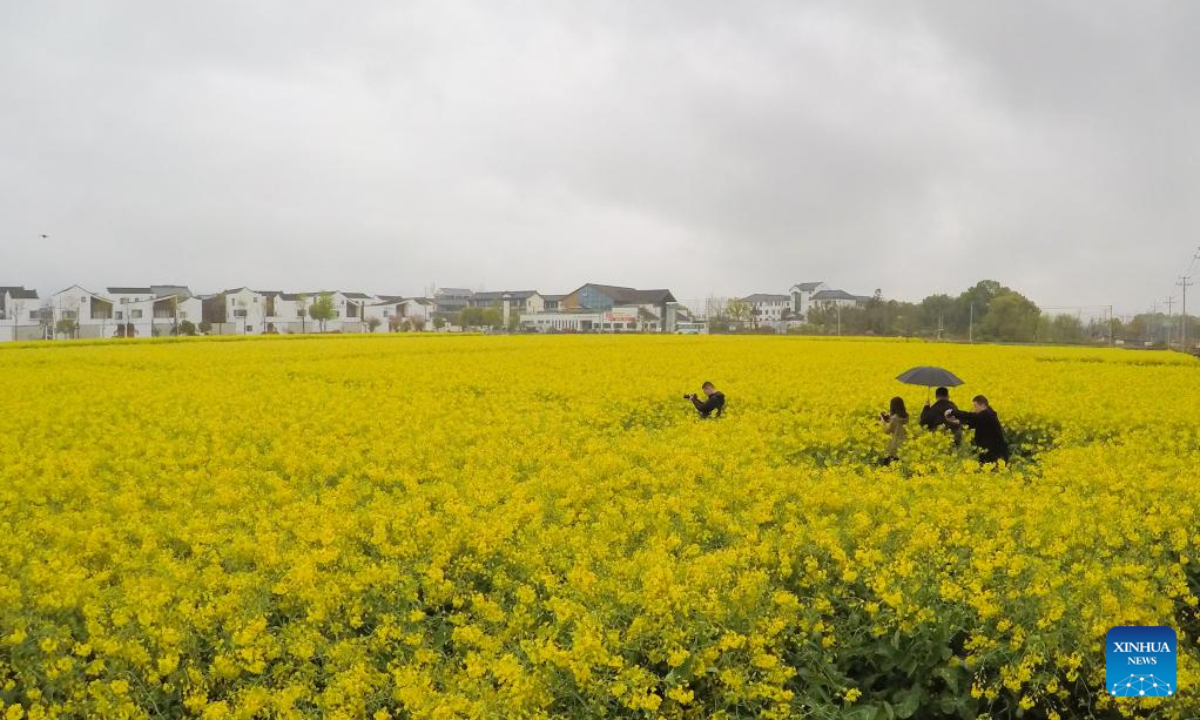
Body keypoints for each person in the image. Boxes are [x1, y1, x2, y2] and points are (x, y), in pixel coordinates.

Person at [945, 395, 1010, 463]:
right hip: (991, 452)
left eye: (975, 407)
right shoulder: (988, 414)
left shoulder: (987, 414)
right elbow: (971, 423)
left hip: (994, 454)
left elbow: (970, 416)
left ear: (982, 405)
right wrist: (956, 422)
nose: (974, 410)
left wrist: (952, 411)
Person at [879, 396, 909, 465]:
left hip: (894, 443)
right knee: (898, 463)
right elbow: (897, 424)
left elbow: (887, 430)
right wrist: (889, 419)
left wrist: (882, 420)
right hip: (903, 443)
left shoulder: (894, 418)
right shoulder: (905, 417)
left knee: (886, 463)